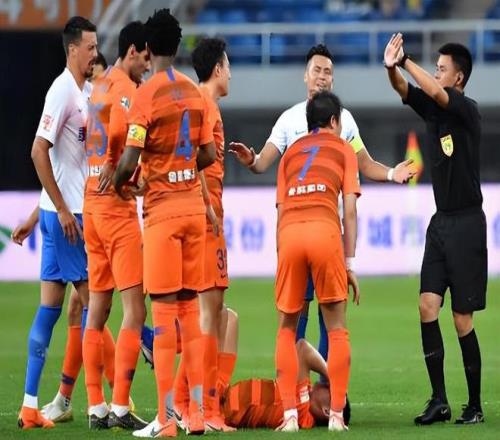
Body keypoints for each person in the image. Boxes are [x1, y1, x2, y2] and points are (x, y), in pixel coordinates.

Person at [229, 44, 414, 367]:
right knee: (298, 314)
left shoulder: (344, 121)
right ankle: (301, 384)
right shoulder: (289, 120)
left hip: (329, 229)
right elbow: (263, 162)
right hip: (302, 229)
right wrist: (252, 160)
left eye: (328, 72)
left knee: (329, 315)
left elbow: (364, 163)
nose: (322, 77)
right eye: (317, 70)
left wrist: (390, 173)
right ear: (305, 75)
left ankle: (323, 388)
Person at [113, 8, 216, 438]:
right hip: (193, 209)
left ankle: (165, 419)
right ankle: (195, 415)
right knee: (190, 313)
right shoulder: (195, 91)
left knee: (164, 313)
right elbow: (209, 154)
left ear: (149, 48)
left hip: (162, 214)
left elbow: (129, 160)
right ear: (177, 46)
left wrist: (120, 182)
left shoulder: (146, 94)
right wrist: (182, 167)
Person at [384, 34, 487, 425]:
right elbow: (404, 90)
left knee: (462, 319)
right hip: (440, 222)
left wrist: (406, 59)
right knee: (427, 306)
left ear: (458, 78)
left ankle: (474, 405)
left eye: (442, 68)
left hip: (467, 223)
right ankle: (439, 400)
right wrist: (391, 67)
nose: (436, 72)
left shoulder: (466, 110)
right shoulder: (433, 110)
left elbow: (433, 90)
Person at [18, 16, 97, 430]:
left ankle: (30, 405)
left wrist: (37, 215)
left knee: (50, 309)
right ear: (72, 49)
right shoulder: (63, 90)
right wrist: (64, 211)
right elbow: (38, 151)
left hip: (55, 214)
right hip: (69, 219)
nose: (95, 53)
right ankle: (106, 402)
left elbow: (66, 164)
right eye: (90, 48)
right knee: (96, 303)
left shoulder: (85, 91)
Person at [273, 91, 360, 432]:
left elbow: (280, 212)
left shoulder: (290, 154)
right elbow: (349, 211)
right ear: (334, 121)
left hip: (290, 234)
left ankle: (290, 416)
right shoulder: (343, 148)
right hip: (325, 232)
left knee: (286, 329)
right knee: (337, 329)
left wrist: (283, 260)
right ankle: (336, 416)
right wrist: (349, 264)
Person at [81, 21, 150, 430]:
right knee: (135, 311)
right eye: (145, 57)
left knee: (97, 311)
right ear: (133, 51)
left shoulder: (100, 85)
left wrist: (107, 167)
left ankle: (95, 406)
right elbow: (123, 132)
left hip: (91, 205)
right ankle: (121, 406)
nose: (147, 66)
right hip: (115, 210)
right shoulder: (126, 88)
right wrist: (118, 170)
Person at [173, 37, 234, 433]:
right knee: (209, 315)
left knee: (213, 312)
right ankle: (201, 408)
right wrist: (206, 204)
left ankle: (187, 403)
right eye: (228, 66)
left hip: (207, 215)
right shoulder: (204, 105)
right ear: (217, 69)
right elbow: (190, 159)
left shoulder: (198, 102)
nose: (231, 74)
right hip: (205, 217)